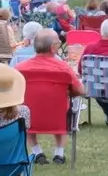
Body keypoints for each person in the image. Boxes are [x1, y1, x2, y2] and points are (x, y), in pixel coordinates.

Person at [15, 30, 85, 164]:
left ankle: (36, 151)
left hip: (30, 118)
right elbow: (81, 90)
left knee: (25, 110)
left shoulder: (20, 69)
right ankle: (59, 153)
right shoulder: (63, 68)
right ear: (54, 47)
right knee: (63, 109)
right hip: (57, 117)